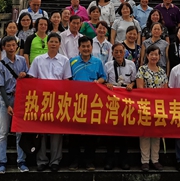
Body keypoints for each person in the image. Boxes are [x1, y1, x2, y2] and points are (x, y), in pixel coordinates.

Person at [26, 33, 72, 172]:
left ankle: (55, 161)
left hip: (58, 100)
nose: (53, 44)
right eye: (51, 41)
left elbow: (67, 80)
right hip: (42, 100)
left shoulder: (64, 60)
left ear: (59, 44)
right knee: (41, 131)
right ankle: (41, 160)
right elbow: (32, 79)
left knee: (56, 131)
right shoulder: (38, 60)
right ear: (47, 43)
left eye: (56, 42)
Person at [68, 37, 107, 170]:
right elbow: (67, 79)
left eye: (88, 46)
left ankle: (89, 161)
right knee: (74, 133)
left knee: (91, 133)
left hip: (92, 102)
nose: (86, 49)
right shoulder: (72, 62)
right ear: (79, 48)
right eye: (83, 46)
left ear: (92, 47)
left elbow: (103, 77)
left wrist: (98, 82)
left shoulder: (97, 62)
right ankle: (74, 161)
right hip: (75, 102)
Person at [0, 35, 29, 174]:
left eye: (13, 45)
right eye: (8, 45)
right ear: (3, 47)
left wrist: (24, 75)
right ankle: (2, 161)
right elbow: (1, 86)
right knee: (3, 132)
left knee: (20, 131)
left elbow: (28, 76)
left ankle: (21, 160)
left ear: (17, 46)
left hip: (19, 99)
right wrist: (8, 105)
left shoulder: (22, 61)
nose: (11, 48)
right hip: (6, 99)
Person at [103, 43, 136, 170]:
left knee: (124, 133)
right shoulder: (107, 65)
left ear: (124, 52)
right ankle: (109, 161)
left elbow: (134, 80)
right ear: (112, 53)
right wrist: (107, 84)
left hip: (126, 102)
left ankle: (124, 161)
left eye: (120, 51)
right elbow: (104, 81)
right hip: (111, 102)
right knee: (110, 133)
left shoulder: (131, 65)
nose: (118, 54)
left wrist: (131, 85)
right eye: (116, 52)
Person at [136, 45, 168, 172]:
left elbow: (165, 89)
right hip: (145, 105)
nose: (154, 56)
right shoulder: (142, 70)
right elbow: (140, 88)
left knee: (156, 133)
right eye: (151, 54)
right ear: (147, 56)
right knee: (145, 133)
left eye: (156, 54)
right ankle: (144, 161)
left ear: (159, 56)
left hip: (159, 106)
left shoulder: (162, 71)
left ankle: (155, 160)